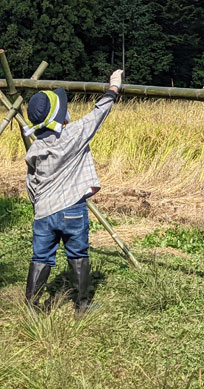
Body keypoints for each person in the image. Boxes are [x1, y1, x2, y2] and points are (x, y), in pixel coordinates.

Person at [23, 70, 124, 315]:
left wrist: (39, 205)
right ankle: (81, 305)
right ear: (59, 116)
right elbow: (99, 113)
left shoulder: (35, 147)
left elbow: (31, 183)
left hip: (44, 212)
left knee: (41, 256)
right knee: (77, 253)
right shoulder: (74, 134)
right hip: (72, 209)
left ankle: (32, 306)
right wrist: (114, 87)